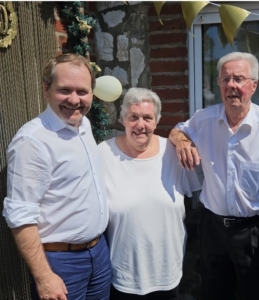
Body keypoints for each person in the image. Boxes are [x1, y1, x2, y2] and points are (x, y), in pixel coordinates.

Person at [169, 52, 259, 300]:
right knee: (213, 293)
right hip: (212, 228)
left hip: (257, 233)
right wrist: (182, 140)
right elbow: (176, 131)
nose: (232, 86)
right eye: (225, 79)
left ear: (254, 85)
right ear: (219, 84)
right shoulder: (204, 119)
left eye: (239, 79)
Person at [2, 53, 111, 300]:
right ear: (46, 89)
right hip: (61, 264)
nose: (74, 99)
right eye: (65, 90)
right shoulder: (32, 142)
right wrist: (44, 277)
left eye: (82, 91)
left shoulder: (83, 125)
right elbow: (20, 215)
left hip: (99, 253)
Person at [98, 87, 203, 300]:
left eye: (148, 117)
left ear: (157, 121)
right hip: (123, 277)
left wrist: (180, 136)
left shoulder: (174, 153)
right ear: (123, 120)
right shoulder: (103, 154)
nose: (140, 125)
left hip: (167, 275)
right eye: (133, 117)